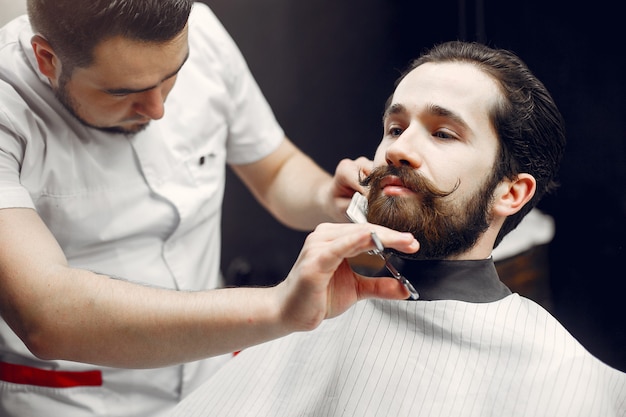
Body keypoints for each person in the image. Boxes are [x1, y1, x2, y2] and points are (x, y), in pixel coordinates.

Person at [0, 1, 418, 416]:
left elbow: (275, 173)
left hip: (213, 378)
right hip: (77, 397)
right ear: (47, 59)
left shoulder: (202, 32)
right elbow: (45, 314)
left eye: (171, 76)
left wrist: (325, 199)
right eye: (123, 91)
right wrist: (277, 308)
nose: (158, 109)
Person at [171, 41, 626, 417]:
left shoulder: (568, 382)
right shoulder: (310, 319)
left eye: (443, 133)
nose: (399, 149)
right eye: (394, 126)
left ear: (510, 193)